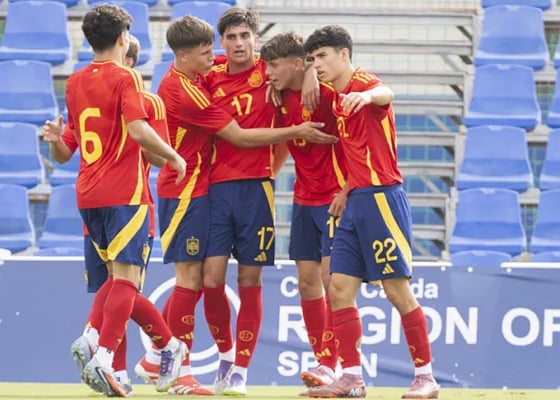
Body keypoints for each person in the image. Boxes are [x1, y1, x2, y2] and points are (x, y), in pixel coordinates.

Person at [133, 15, 336, 396]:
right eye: (230, 37)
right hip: (212, 190)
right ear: (221, 42)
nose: (239, 43)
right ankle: (214, 357)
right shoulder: (207, 74)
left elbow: (301, 61)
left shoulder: (271, 71)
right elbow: (237, 135)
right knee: (208, 279)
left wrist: (309, 69)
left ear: (255, 39)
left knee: (248, 280)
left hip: (256, 192)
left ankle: (237, 370)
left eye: (245, 35)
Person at [303, 25, 440, 399]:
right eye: (312, 59)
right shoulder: (336, 98)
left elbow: (386, 93)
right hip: (357, 201)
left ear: (344, 54)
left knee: (396, 291)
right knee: (339, 288)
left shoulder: (364, 85)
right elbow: (359, 151)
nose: (317, 65)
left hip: (383, 200)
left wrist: (366, 97)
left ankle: (426, 377)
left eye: (322, 56)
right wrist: (346, 190)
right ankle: (351, 378)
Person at [58, 4, 187, 397]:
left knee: (117, 282)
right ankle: (107, 354)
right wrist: (174, 156)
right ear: (122, 39)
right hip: (125, 194)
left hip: (88, 194)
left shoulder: (74, 81)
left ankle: (116, 344)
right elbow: (138, 132)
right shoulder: (127, 77)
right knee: (126, 281)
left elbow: (71, 146)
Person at [260, 31, 349, 393]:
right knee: (307, 282)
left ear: (297, 64)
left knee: (332, 281)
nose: (267, 73)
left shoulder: (326, 92)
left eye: (274, 65)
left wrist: (348, 188)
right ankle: (324, 361)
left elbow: (357, 140)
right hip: (303, 198)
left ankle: (331, 363)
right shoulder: (278, 94)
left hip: (335, 197)